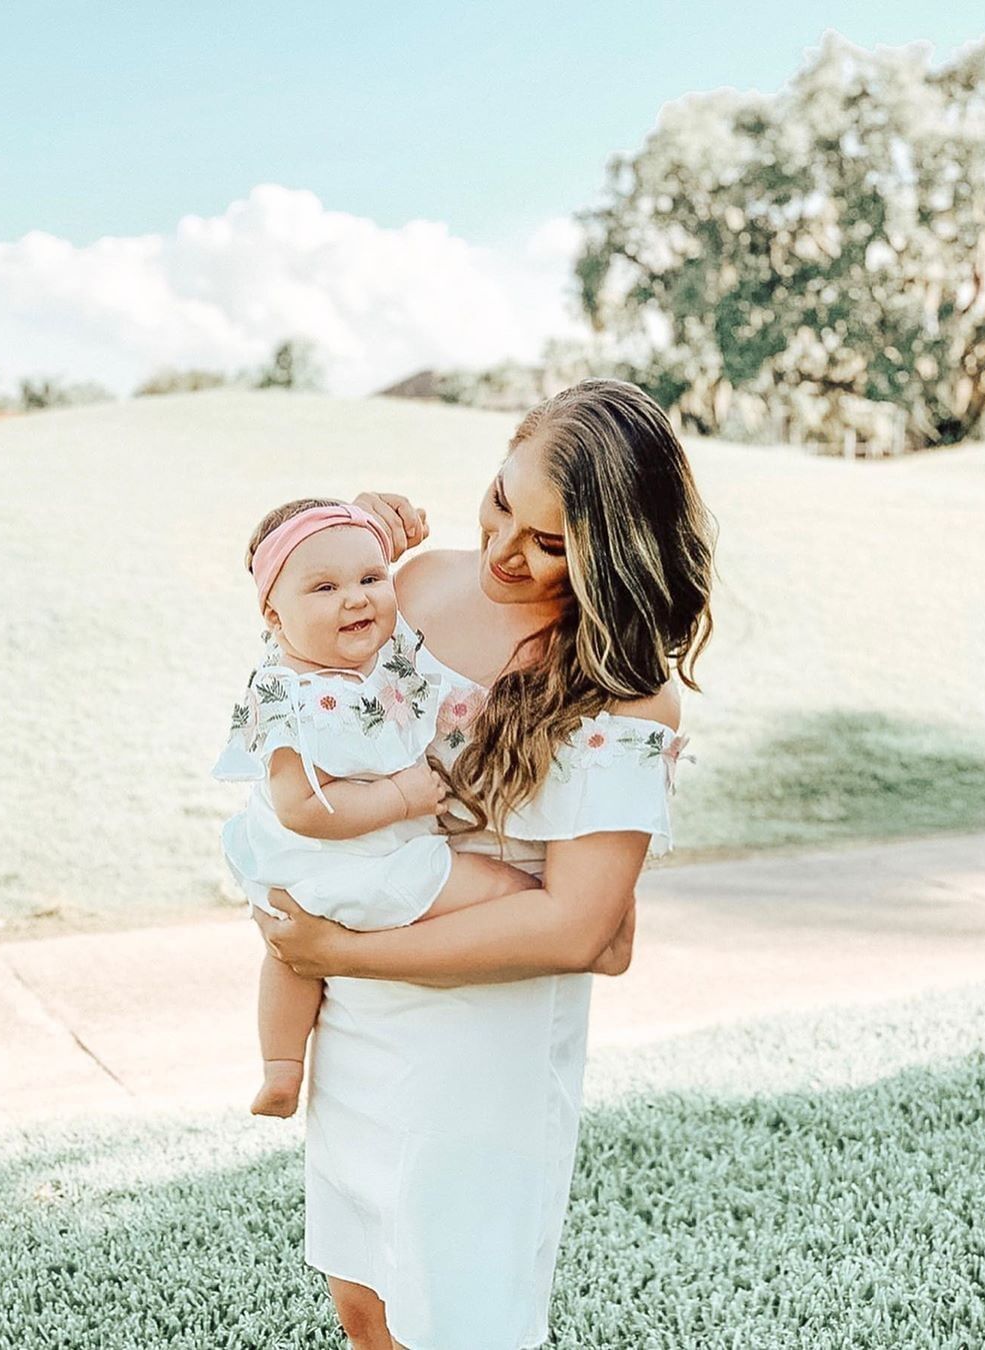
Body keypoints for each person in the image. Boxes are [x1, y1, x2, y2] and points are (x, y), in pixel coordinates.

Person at [254, 380, 715, 1350]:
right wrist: (344, 538)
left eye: (552, 543)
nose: (507, 551)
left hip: (483, 1036)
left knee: (459, 1321)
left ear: (618, 551)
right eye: (503, 501)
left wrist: (333, 950)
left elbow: (585, 932)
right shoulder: (411, 586)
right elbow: (297, 686)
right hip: (358, 1018)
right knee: (362, 1299)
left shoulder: (629, 698)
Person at [213, 499, 548, 1117]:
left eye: (371, 580)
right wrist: (400, 797)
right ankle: (280, 1065)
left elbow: (335, 554)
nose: (356, 599)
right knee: (509, 887)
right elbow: (302, 809)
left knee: (288, 959)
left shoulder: (377, 660)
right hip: (363, 864)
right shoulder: (288, 695)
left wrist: (373, 524)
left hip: (312, 883)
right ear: (273, 615)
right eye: (325, 588)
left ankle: (282, 1072)